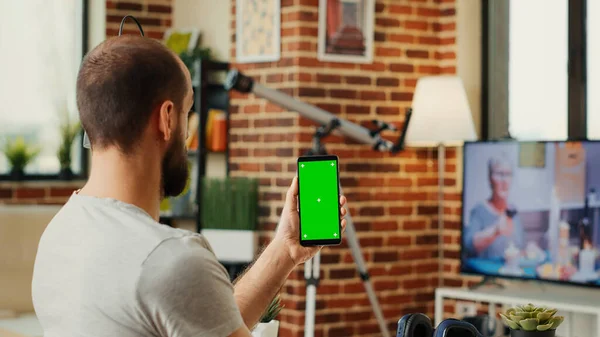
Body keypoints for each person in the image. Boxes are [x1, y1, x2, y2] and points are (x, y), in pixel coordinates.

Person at [31, 35, 347, 337]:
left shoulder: (59, 234)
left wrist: (285, 250)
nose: (187, 132)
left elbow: (204, 322)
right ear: (167, 118)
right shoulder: (169, 258)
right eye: (187, 111)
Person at [464, 152, 524, 259]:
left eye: (508, 174)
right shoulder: (479, 210)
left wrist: (530, 249)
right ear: (490, 178)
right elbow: (469, 248)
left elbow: (520, 247)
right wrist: (495, 230)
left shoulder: (513, 211)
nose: (504, 180)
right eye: (500, 174)